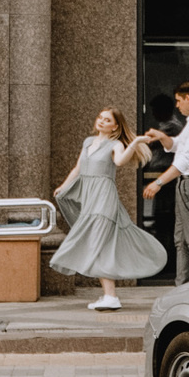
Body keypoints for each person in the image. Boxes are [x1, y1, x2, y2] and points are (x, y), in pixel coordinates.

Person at [50, 109, 169, 309]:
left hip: (104, 200)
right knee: (98, 245)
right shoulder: (88, 142)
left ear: (115, 126)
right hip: (90, 198)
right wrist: (64, 185)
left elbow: (120, 161)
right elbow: (78, 168)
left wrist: (136, 142)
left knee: (97, 244)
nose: (102, 122)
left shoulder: (116, 144)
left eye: (107, 120)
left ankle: (110, 296)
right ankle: (109, 296)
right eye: (100, 118)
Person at [142, 81, 189, 284]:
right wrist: (161, 136)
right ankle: (182, 285)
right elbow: (177, 146)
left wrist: (158, 182)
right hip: (188, 184)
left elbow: (186, 160)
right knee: (182, 241)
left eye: (178, 101)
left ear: (188, 98)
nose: (177, 106)